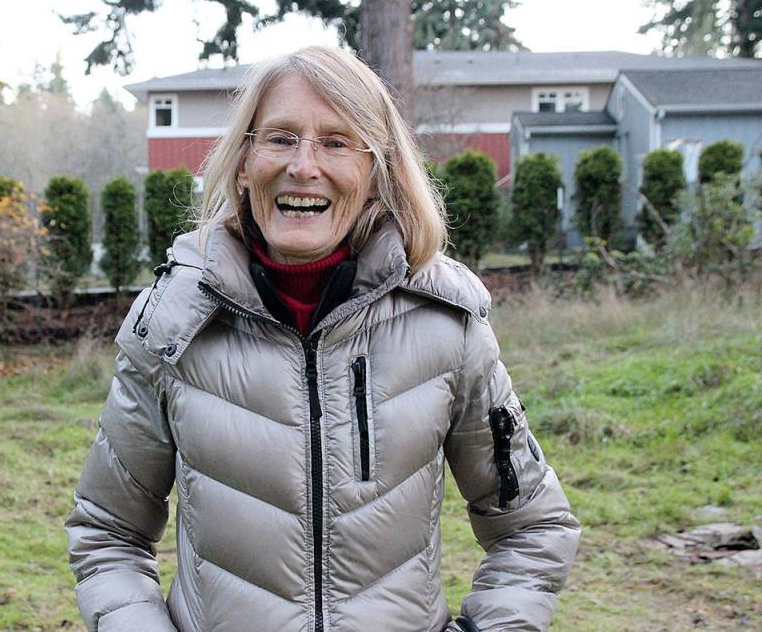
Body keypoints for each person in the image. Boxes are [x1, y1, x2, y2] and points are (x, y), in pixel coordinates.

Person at [65, 45, 580, 632]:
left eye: (336, 142)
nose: (304, 166)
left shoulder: (447, 323)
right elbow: (108, 531)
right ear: (243, 162)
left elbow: (532, 527)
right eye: (281, 138)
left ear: (376, 171)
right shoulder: (170, 326)